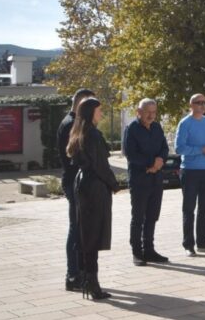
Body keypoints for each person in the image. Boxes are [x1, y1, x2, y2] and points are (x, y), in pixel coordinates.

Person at [67, 97, 119, 301]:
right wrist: (114, 184)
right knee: (93, 234)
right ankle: (92, 282)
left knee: (86, 233)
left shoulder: (79, 131)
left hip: (84, 184)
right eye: (99, 110)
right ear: (90, 112)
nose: (101, 113)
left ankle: (89, 279)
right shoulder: (93, 134)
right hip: (94, 186)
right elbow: (100, 165)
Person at [122, 98, 169, 265]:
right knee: (138, 217)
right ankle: (137, 252)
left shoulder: (157, 127)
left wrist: (159, 161)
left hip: (156, 179)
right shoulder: (132, 129)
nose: (151, 115)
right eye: (148, 112)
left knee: (152, 216)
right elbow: (130, 154)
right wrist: (151, 164)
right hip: (140, 179)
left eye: (154, 112)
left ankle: (149, 249)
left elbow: (164, 148)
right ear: (139, 112)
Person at [175, 93, 205, 255]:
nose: (202, 105)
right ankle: (188, 244)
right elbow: (179, 148)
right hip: (190, 170)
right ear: (191, 105)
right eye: (198, 102)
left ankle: (204, 241)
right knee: (189, 208)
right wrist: (200, 150)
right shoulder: (185, 123)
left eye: (204, 102)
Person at [57, 87, 93, 291]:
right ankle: (73, 275)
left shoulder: (70, 122)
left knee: (79, 228)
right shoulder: (71, 124)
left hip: (73, 181)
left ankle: (79, 271)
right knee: (76, 229)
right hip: (74, 182)